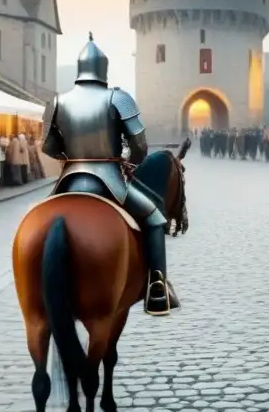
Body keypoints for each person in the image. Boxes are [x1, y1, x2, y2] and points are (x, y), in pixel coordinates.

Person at [42, 32, 180, 316]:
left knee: (41, 219)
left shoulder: (57, 102)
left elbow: (48, 147)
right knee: (154, 216)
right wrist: (129, 160)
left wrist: (70, 157)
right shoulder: (118, 98)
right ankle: (157, 285)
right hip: (109, 180)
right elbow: (140, 145)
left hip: (68, 180)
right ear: (103, 69)